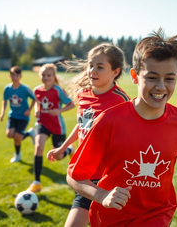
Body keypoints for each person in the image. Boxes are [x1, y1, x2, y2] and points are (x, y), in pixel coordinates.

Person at [66, 29, 177, 227]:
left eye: (169, 78)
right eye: (152, 77)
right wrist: (102, 195)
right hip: (111, 216)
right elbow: (74, 176)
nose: (161, 86)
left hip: (158, 213)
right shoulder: (109, 120)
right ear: (135, 76)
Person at [46, 43, 130, 227]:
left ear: (115, 72)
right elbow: (83, 125)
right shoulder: (83, 95)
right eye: (91, 65)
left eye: (100, 67)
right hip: (86, 177)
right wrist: (62, 147)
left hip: (109, 180)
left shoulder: (121, 102)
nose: (92, 70)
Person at [27, 63, 75, 193]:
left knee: (58, 157)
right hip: (42, 123)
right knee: (38, 146)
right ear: (40, 76)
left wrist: (59, 110)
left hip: (57, 127)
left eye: (49, 75)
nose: (46, 77)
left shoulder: (58, 90)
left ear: (53, 76)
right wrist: (36, 111)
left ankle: (69, 149)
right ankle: (36, 182)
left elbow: (71, 104)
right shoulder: (37, 90)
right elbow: (37, 104)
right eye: (43, 75)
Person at [0, 66, 36, 163]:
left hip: (23, 116)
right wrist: (2, 112)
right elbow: (5, 100)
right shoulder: (7, 88)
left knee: (17, 137)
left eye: (17, 75)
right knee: (9, 134)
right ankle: (29, 133)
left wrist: (29, 110)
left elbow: (35, 98)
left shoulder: (25, 89)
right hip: (13, 116)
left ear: (20, 76)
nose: (14, 77)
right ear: (9, 76)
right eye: (12, 75)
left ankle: (18, 155)